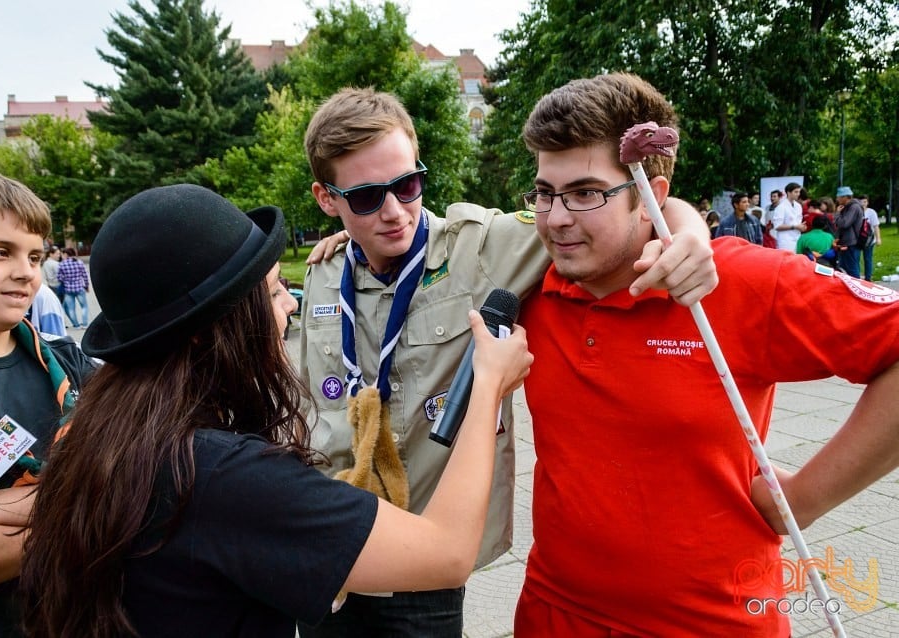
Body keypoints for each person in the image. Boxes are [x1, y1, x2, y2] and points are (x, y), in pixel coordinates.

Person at [18, 184, 533, 638]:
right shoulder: (221, 473)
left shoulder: (100, 430)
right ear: (209, 330)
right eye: (272, 291)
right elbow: (445, 554)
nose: (290, 305)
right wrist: (486, 384)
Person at [297, 87, 717, 636]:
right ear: (327, 199)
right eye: (367, 198)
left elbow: (629, 205)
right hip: (330, 548)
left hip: (424, 556)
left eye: (407, 185)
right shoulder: (324, 271)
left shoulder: (482, 248)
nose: (395, 211)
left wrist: (689, 232)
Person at [514, 72, 899, 637]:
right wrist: (339, 246)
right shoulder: (528, 276)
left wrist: (808, 496)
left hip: (712, 622)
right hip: (554, 611)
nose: (557, 217)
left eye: (586, 193)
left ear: (652, 197)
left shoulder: (739, 282)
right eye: (545, 192)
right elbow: (412, 236)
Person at [0, 169, 96, 637]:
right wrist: (92, 518)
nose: (25, 272)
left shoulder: (65, 359)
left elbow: (134, 464)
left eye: (34, 255)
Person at [834, 186, 864, 278]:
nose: (837, 199)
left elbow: (844, 223)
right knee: (845, 267)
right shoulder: (847, 207)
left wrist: (837, 213)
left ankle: (856, 289)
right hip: (846, 241)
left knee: (852, 268)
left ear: (845, 197)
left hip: (851, 242)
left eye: (838, 197)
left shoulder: (854, 207)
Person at [57, 247, 89, 328]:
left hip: (68, 290)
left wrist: (67, 279)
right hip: (79, 288)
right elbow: (85, 275)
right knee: (84, 306)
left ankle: (76, 325)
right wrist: (86, 286)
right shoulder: (79, 262)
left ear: (66, 254)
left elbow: (59, 278)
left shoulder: (62, 264)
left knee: (71, 309)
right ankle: (85, 324)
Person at [772, 181, 806, 252]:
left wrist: (802, 227)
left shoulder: (798, 206)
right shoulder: (781, 207)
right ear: (788, 192)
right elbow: (777, 226)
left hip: (797, 237)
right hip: (785, 240)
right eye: (795, 192)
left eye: (799, 192)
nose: (798, 194)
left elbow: (798, 222)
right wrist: (795, 226)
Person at [859, 194, 881, 282]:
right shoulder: (856, 211)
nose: (863, 204)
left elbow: (876, 226)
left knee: (868, 258)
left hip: (869, 240)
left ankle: (868, 277)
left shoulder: (871, 212)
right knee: (856, 258)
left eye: (864, 202)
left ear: (867, 203)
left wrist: (878, 238)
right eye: (861, 202)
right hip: (858, 240)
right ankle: (857, 276)